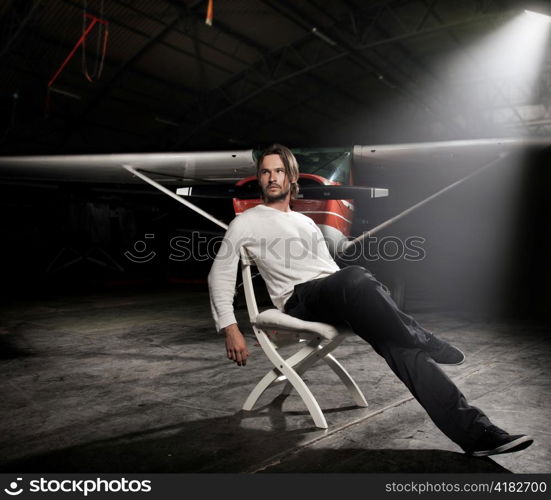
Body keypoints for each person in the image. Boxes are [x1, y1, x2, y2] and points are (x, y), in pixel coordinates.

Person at [208, 143, 533, 457]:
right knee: (355, 276)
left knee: (404, 349)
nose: (272, 177)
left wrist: (353, 293)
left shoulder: (306, 222)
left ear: (292, 178)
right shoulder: (246, 222)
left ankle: (477, 434)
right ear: (260, 178)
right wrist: (230, 326)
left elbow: (328, 270)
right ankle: (423, 336)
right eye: (265, 172)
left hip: (331, 294)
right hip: (300, 299)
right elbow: (220, 274)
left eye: (279, 170)